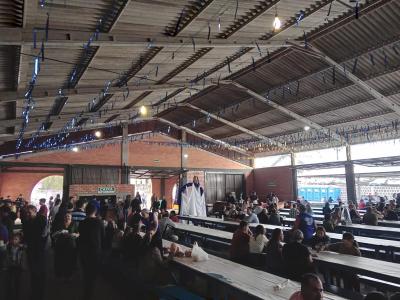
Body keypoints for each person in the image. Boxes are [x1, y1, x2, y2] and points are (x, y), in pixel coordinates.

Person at [78, 203, 105, 300]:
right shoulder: (99, 222)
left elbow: (80, 236)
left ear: (86, 211)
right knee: (93, 275)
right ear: (95, 211)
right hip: (95, 252)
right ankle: (90, 294)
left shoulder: (82, 223)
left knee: (86, 273)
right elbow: (103, 237)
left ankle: (86, 293)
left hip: (84, 252)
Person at [22, 204, 47, 300]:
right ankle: (34, 292)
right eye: (27, 213)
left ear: (35, 211)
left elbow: (41, 235)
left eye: (29, 212)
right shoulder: (28, 221)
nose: (28, 214)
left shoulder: (41, 220)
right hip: (32, 250)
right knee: (33, 272)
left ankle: (39, 294)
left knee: (40, 273)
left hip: (39, 250)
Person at [52, 212, 78, 279]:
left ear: (71, 218)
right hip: (60, 245)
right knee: (60, 260)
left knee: (69, 260)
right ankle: (59, 274)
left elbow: (78, 233)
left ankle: (68, 275)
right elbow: (53, 235)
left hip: (71, 245)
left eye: (69, 216)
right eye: (66, 216)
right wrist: (59, 232)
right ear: (64, 217)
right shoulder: (60, 224)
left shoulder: (74, 224)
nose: (67, 218)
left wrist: (75, 234)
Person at [4, 233, 25, 300]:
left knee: (17, 281)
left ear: (19, 240)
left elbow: (23, 258)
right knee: (9, 281)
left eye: (16, 239)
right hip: (11, 266)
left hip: (18, 267)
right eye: (13, 239)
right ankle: (9, 294)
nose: (14, 241)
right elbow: (7, 257)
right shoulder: (10, 247)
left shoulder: (21, 248)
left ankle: (17, 295)